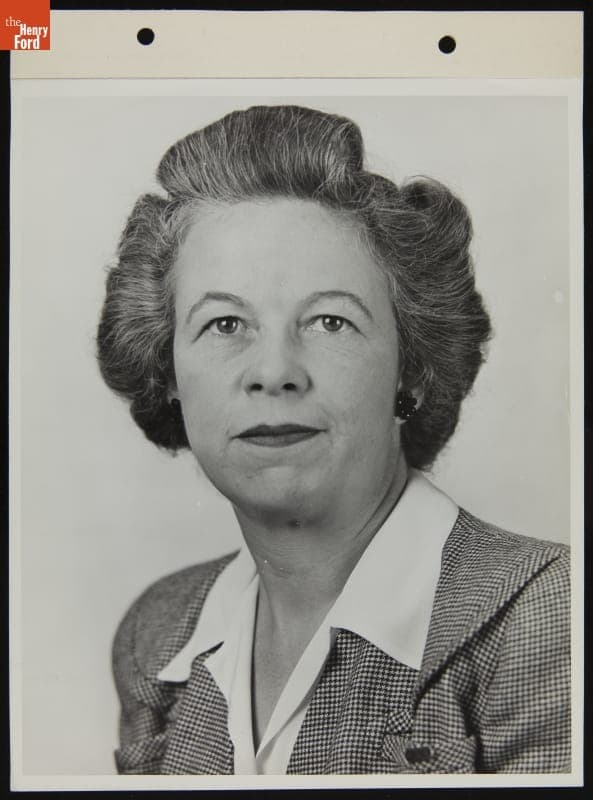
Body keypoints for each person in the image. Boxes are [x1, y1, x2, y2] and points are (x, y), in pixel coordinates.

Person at [97, 105, 570, 775]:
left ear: (412, 364)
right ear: (166, 371)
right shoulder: (159, 635)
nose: (273, 373)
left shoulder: (546, 619)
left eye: (328, 321)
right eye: (225, 324)